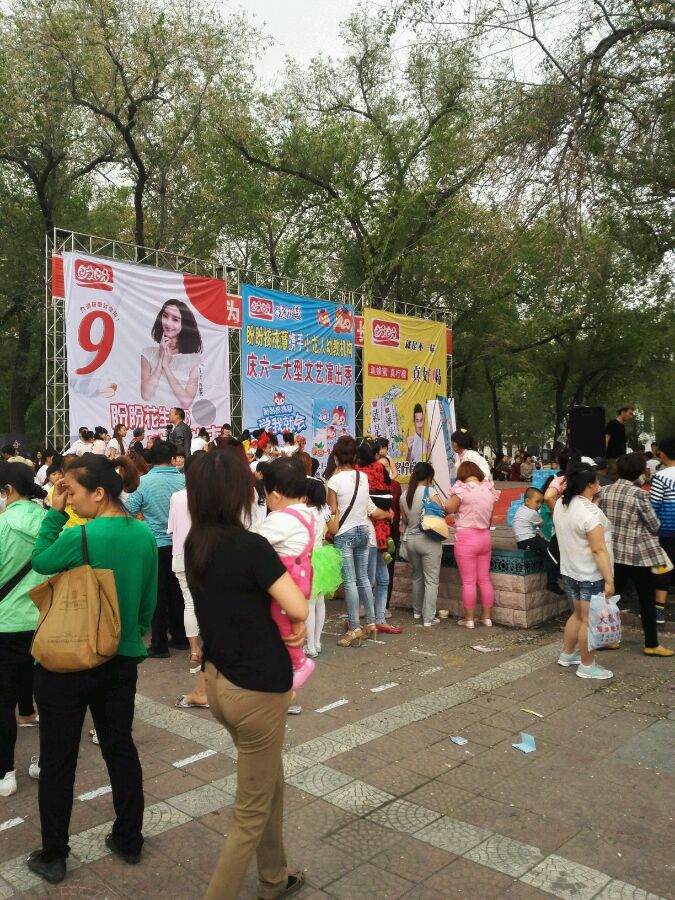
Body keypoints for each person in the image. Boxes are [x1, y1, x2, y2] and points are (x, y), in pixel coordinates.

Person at [27, 455, 157, 885]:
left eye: (73, 493)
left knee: (58, 759)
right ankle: (129, 838)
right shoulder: (142, 534)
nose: (70, 501)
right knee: (120, 747)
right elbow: (147, 601)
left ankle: (54, 854)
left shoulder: (81, 535)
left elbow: (41, 561)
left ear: (98, 493)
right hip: (120, 659)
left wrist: (54, 513)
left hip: (67, 662)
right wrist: (130, 635)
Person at [184, 450, 307, 900]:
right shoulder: (250, 547)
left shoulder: (195, 544)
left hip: (219, 684)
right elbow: (297, 604)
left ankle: (274, 878)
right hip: (256, 690)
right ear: (239, 493)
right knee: (249, 814)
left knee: (269, 781)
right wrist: (296, 623)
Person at [0, 463, 48, 798]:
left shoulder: (3, 525)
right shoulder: (49, 522)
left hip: (6, 625)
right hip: (46, 623)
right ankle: (47, 763)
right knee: (49, 697)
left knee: (3, 701)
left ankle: (5, 773)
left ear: (8, 490)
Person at [599, 453, 672, 657]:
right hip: (637, 555)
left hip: (613, 553)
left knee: (611, 599)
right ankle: (651, 644)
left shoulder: (605, 491)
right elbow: (654, 524)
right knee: (646, 600)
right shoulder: (640, 494)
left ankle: (608, 638)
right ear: (640, 472)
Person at [255, 457, 316, 690]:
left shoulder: (280, 518)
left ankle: (299, 663)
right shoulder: (307, 514)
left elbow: (256, 544)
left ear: (275, 495)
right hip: (303, 577)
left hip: (287, 579)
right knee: (289, 620)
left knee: (279, 620)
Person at [125, 440, 187, 657]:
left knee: (157, 596)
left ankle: (159, 644)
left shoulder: (143, 482)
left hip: (155, 545)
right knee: (179, 592)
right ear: (173, 459)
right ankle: (181, 637)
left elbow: (129, 510)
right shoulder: (185, 481)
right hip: (180, 545)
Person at [555, 462, 615, 680]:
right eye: (596, 480)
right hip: (590, 574)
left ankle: (568, 654)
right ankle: (587, 665)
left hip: (570, 570)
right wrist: (609, 580)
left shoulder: (561, 504)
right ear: (590, 484)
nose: (599, 483)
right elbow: (598, 549)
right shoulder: (591, 513)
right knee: (589, 620)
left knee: (578, 615)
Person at [326, 436, 376, 647]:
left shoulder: (334, 481)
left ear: (336, 457)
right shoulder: (362, 476)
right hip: (364, 530)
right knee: (363, 578)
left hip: (345, 534)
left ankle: (354, 627)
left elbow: (332, 510)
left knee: (350, 581)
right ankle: (371, 622)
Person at [168, 456, 209, 709]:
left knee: (189, 602)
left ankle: (194, 651)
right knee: (208, 602)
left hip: (181, 554)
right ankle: (209, 650)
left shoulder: (177, 497)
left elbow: (171, 527)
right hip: (204, 554)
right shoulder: (210, 496)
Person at [445, 461, 499, 627]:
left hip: (466, 538)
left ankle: (469, 619)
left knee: (469, 581)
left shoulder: (462, 488)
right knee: (484, 579)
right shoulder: (488, 489)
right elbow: (490, 518)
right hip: (485, 537)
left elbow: (449, 507)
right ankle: (486, 617)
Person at [356, 440, 400, 634]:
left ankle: (378, 618)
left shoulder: (361, 474)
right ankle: (370, 619)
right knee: (371, 579)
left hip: (380, 534)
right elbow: (374, 508)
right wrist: (387, 514)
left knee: (381, 579)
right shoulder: (362, 476)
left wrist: (387, 513)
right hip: (370, 535)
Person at [400, 462, 444, 626]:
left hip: (411, 540)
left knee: (417, 576)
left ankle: (417, 612)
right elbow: (441, 512)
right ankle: (429, 618)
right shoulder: (430, 491)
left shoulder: (405, 495)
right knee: (431, 580)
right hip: (428, 540)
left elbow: (405, 519)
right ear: (429, 476)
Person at [141, 298, 203, 409]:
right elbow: (146, 395)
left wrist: (166, 367)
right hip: (152, 416)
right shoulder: (147, 354)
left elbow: (186, 403)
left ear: (184, 324)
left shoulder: (194, 360)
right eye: (165, 316)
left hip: (178, 418)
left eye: (175, 319)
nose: (168, 323)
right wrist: (160, 362)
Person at [512, 487, 564, 594]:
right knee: (552, 552)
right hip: (530, 540)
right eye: (537, 502)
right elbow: (542, 524)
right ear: (527, 501)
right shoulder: (532, 513)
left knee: (546, 551)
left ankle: (554, 574)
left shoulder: (520, 509)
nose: (539, 505)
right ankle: (554, 580)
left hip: (522, 542)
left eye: (541, 502)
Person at [650, 436, 675, 624]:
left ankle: (659, 612)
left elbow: (654, 506)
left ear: (663, 454)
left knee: (662, 569)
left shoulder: (661, 477)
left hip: (665, 531)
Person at [605, 406, 634, 479]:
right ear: (623, 412)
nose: (631, 416)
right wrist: (603, 454)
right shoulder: (612, 424)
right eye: (630, 413)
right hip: (612, 458)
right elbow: (606, 438)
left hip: (620, 458)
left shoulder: (622, 426)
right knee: (612, 478)